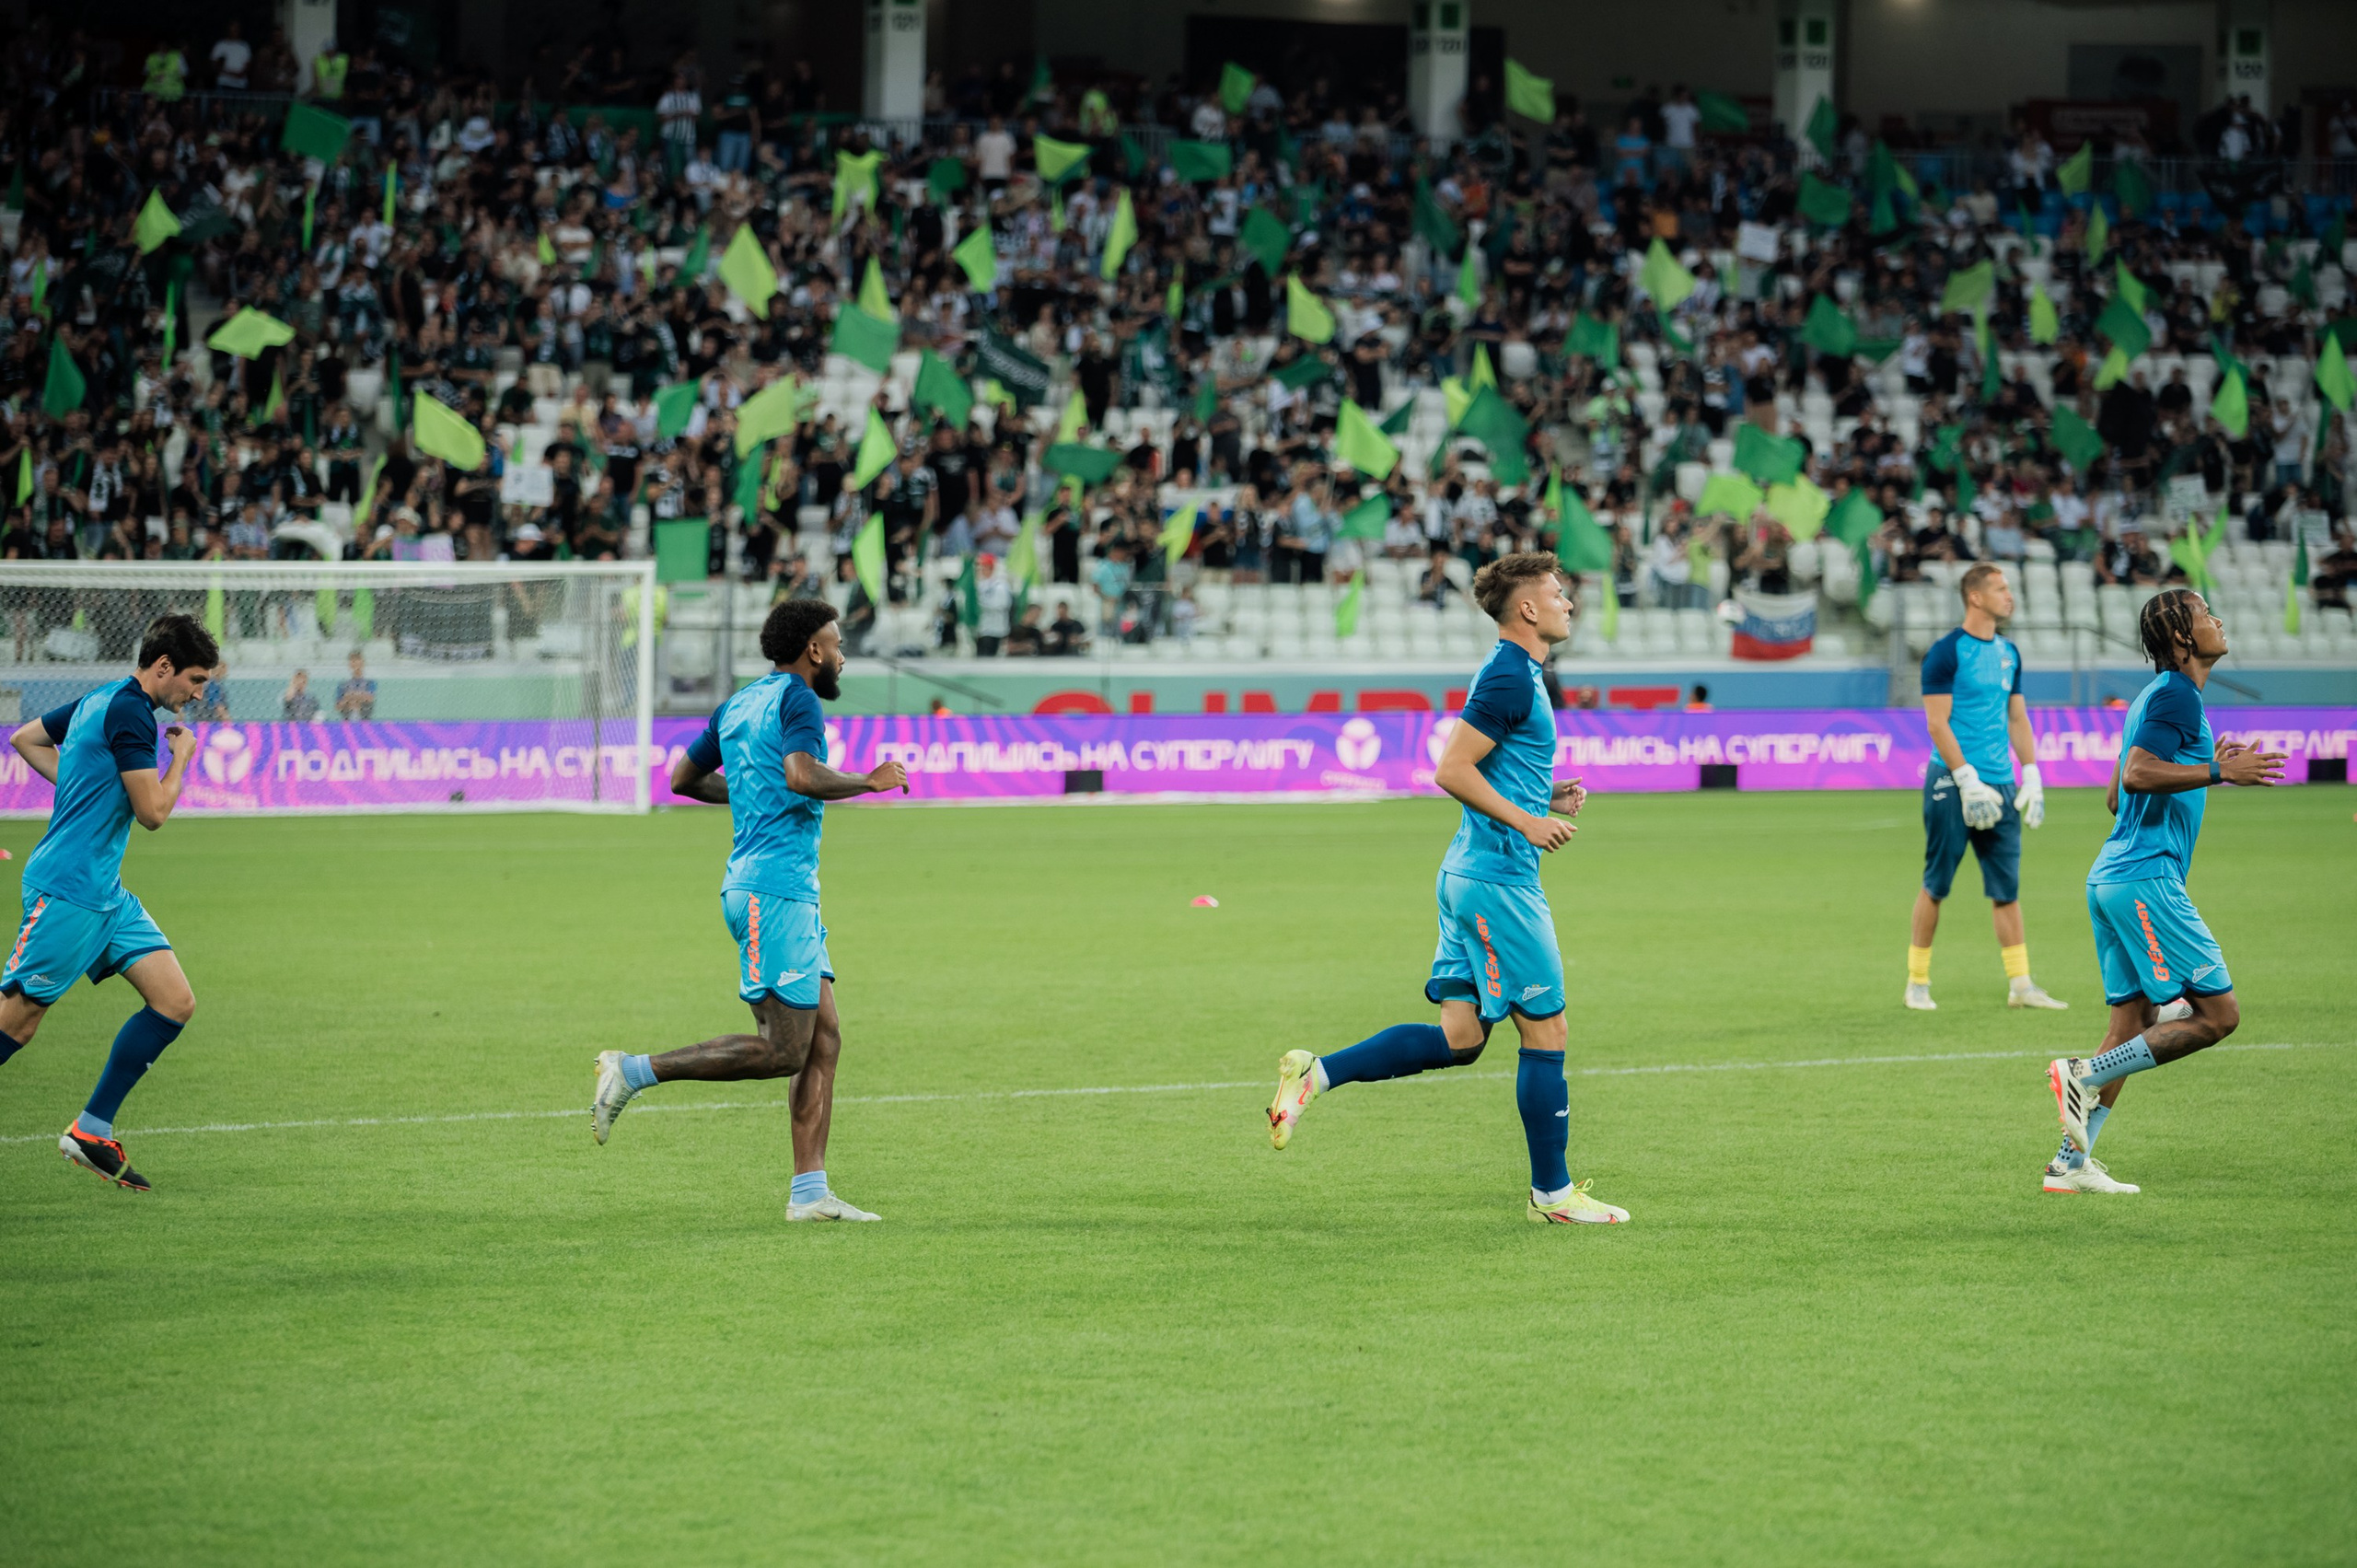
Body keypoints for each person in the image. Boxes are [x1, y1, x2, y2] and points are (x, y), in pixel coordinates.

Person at [1265, 552, 1629, 1225]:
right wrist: (1529, 819)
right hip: (1498, 883)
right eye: (1557, 592)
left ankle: (1315, 1073)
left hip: (1466, 874)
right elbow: (1451, 769)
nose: (1568, 602)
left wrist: (1544, 792)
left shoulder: (1515, 672)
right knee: (1547, 1029)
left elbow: (1488, 765)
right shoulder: (1511, 678)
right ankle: (1552, 1195)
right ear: (1527, 607)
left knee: (1460, 1037)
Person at [589, 601, 909, 1223]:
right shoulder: (797, 699)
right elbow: (800, 773)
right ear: (812, 650)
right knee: (785, 1049)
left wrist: (752, 793)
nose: (841, 654)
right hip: (772, 892)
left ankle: (810, 1194)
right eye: (835, 643)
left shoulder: (739, 703)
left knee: (825, 1039)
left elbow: (683, 778)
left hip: (782, 891)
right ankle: (631, 1071)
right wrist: (867, 781)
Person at [2042, 590, 2286, 1194]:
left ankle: (2070, 1162)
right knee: (2217, 1014)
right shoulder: (2177, 694)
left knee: (2132, 1020)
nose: (2219, 621)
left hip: (2112, 876)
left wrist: (2207, 765)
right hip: (2144, 877)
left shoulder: (2155, 698)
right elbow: (2134, 775)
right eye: (2206, 614)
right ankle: (2084, 1072)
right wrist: (2216, 771)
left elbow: (2113, 796)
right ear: (2182, 636)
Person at [0, 614, 217, 1191]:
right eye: (195, 679)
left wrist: (83, 791)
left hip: (105, 894)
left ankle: (91, 1128)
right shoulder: (130, 714)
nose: (198, 693)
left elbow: (26, 739)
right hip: (69, 890)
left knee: (174, 1001)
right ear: (164, 667)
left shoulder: (103, 697)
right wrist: (183, 756)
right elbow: (153, 814)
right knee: (16, 1025)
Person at [1905, 563, 2067, 1013]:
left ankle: (2021, 985)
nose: (2009, 595)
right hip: (1952, 783)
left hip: (2000, 782)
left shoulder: (2009, 652)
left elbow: (2017, 717)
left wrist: (2031, 773)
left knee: (2006, 889)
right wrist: (1964, 778)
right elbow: (1937, 723)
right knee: (1936, 884)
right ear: (1975, 597)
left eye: (2008, 588)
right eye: (1999, 588)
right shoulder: (1945, 652)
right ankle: (1917, 982)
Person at [335, 651, 376, 719]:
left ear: (363, 663)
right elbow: (338, 706)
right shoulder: (343, 684)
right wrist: (359, 697)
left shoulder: (370, 682)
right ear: (350, 664)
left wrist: (349, 696)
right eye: (353, 661)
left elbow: (369, 698)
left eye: (358, 660)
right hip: (347, 722)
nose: (356, 663)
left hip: (365, 722)